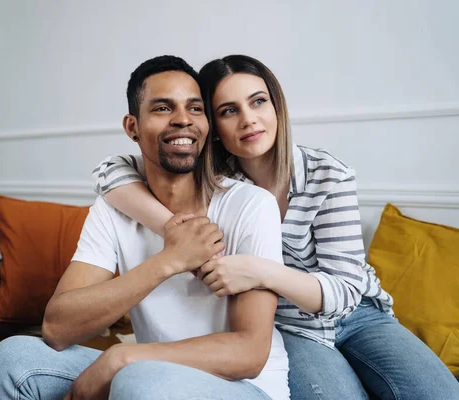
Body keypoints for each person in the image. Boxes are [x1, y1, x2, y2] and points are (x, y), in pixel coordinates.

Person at [91, 54, 459, 399]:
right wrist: (174, 228)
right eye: (228, 110)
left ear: (277, 106)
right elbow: (108, 172)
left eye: (258, 102)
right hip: (288, 326)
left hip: (357, 314)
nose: (249, 119)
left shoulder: (327, 174)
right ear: (213, 126)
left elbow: (346, 291)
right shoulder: (212, 179)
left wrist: (259, 271)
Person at [0, 55, 290, 400]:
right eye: (162, 108)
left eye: (195, 108)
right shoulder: (114, 208)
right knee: (10, 361)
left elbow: (249, 352)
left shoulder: (249, 205)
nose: (183, 120)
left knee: (139, 382)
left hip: (245, 389)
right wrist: (168, 261)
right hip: (152, 374)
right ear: (132, 127)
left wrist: (123, 356)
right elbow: (56, 328)